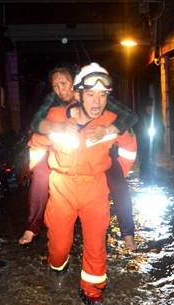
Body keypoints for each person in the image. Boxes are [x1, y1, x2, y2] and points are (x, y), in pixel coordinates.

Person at [28, 63, 137, 305]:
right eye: (90, 94)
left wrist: (112, 171)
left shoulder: (112, 122)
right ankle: (58, 267)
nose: (96, 101)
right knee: (58, 249)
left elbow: (130, 148)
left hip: (95, 189)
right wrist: (39, 172)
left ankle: (92, 292)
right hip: (62, 188)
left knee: (96, 245)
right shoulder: (55, 117)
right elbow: (35, 142)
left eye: (102, 95)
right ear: (78, 94)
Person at [19, 63, 137, 250]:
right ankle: (32, 227)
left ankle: (128, 232)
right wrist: (62, 121)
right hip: (62, 152)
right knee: (40, 176)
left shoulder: (92, 91)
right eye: (55, 85)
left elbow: (128, 116)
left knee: (118, 182)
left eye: (64, 83)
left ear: (76, 84)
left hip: (96, 152)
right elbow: (36, 122)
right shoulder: (54, 101)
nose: (60, 90)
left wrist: (107, 129)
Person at [134, 97, 165, 182]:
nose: (150, 109)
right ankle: (143, 175)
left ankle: (152, 175)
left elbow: (162, 128)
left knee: (152, 159)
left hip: (153, 143)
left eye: (152, 107)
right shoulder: (140, 118)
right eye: (148, 107)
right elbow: (136, 129)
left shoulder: (156, 118)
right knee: (144, 160)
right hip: (143, 143)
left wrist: (159, 135)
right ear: (145, 108)